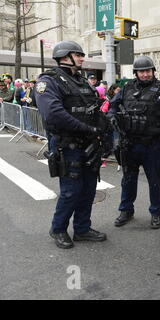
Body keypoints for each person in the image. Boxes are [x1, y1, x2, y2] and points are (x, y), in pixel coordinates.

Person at [35, 40, 109, 249]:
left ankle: (82, 229)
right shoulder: (49, 81)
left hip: (90, 144)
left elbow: (93, 109)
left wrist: (104, 127)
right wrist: (87, 129)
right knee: (71, 191)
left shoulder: (82, 81)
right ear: (65, 57)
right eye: (79, 55)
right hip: (67, 147)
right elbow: (54, 114)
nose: (82, 58)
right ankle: (58, 229)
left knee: (88, 189)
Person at [108, 56, 160, 229]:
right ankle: (126, 210)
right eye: (141, 71)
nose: (145, 74)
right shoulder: (127, 87)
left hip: (153, 144)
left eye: (148, 71)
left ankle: (156, 212)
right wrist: (112, 116)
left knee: (155, 181)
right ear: (135, 73)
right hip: (130, 143)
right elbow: (113, 106)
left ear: (153, 71)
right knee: (128, 179)